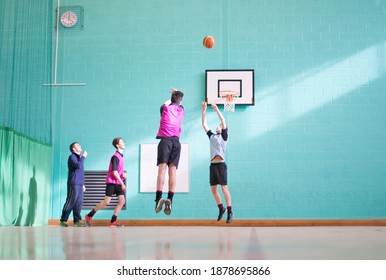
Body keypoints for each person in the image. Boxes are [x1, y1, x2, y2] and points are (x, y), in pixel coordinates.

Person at [201, 102, 233, 223]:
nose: (219, 126)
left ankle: (230, 211)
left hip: (221, 165)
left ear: (223, 129)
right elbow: (204, 124)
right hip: (213, 166)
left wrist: (217, 110)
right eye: (218, 125)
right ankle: (221, 208)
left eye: (220, 126)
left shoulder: (224, 136)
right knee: (213, 190)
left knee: (224, 188)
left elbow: (223, 120)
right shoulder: (212, 136)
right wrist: (203, 110)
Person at [154, 88, 185, 215]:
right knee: (173, 171)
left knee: (162, 170)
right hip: (177, 142)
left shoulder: (165, 108)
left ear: (171, 99)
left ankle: (158, 198)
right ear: (180, 100)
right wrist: (176, 93)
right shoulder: (181, 110)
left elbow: (165, 103)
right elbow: (178, 102)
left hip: (165, 141)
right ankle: (170, 199)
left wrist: (171, 95)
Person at [85, 137, 127, 227]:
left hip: (118, 183)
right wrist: (122, 183)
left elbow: (117, 170)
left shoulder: (121, 156)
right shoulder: (115, 156)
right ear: (117, 145)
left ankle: (113, 221)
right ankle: (89, 216)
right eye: (122, 142)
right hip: (112, 182)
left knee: (122, 201)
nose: (124, 143)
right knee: (106, 202)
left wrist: (122, 173)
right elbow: (114, 172)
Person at [60, 142, 87, 227]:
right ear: (74, 149)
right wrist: (83, 157)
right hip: (73, 183)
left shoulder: (79, 158)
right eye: (78, 146)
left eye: (80, 145)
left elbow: (80, 172)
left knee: (78, 203)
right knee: (71, 201)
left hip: (79, 184)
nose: (80, 146)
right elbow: (78, 165)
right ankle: (63, 220)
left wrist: (82, 184)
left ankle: (77, 221)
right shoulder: (72, 157)